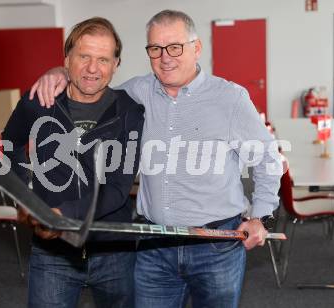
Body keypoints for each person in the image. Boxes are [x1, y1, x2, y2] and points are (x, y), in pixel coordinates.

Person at [29, 10, 282, 308]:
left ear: (196, 48)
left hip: (216, 246)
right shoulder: (135, 93)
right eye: (155, 49)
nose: (165, 57)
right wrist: (59, 73)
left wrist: (260, 215)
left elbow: (267, 159)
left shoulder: (231, 98)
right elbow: (90, 86)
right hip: (154, 246)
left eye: (175, 47)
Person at [1, 17, 144, 308]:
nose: (93, 68)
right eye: (84, 57)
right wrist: (25, 197)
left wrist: (61, 215)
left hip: (113, 251)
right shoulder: (38, 102)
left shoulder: (129, 111)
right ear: (67, 59)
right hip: (52, 252)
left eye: (103, 59)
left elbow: (118, 187)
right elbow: (10, 144)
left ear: (116, 64)